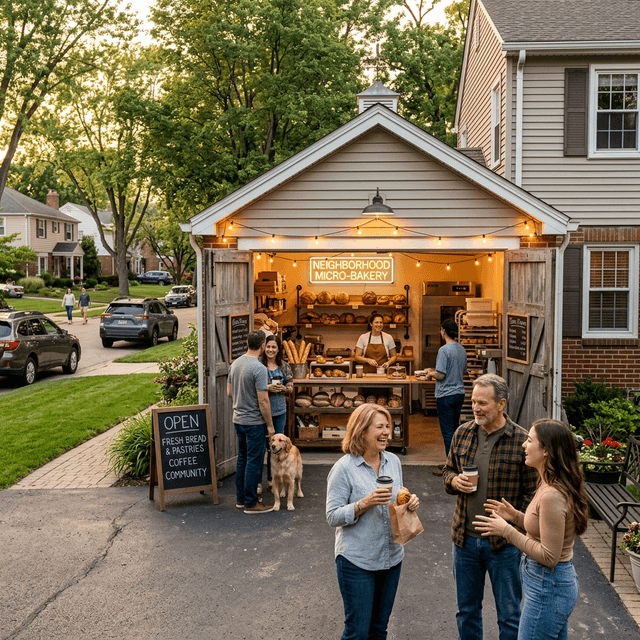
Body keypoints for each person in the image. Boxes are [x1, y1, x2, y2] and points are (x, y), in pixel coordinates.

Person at [442, 373, 537, 640]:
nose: (475, 408)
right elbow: (448, 472)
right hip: (464, 540)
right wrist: (454, 481)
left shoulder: (522, 440)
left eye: (482, 403)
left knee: (509, 615)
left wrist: (516, 523)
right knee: (467, 611)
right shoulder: (462, 433)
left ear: (501, 404)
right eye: (473, 401)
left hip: (503, 545)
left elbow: (533, 492)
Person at [473, 419, 588, 640]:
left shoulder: (552, 495)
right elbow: (546, 527)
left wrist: (506, 530)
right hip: (548, 585)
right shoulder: (548, 483)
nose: (523, 445)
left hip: (549, 586)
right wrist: (516, 516)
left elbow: (549, 556)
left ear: (546, 450)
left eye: (529, 440)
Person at [327, 403, 420, 640]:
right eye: (379, 426)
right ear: (361, 431)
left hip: (391, 557)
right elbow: (332, 516)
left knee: (379, 629)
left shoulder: (393, 462)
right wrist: (363, 503)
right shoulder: (344, 469)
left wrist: (409, 503)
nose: (387, 431)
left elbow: (397, 499)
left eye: (388, 426)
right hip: (357, 561)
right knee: (357, 632)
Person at [227, 330, 276, 514]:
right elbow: (263, 401)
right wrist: (270, 426)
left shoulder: (236, 363)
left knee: (242, 459)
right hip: (254, 422)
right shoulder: (259, 368)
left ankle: (241, 499)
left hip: (238, 419)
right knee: (254, 462)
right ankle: (251, 503)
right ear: (263, 346)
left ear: (247, 343)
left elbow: (230, 393)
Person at [426, 319, 468, 475]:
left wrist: (429, 373)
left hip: (445, 395)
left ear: (443, 331)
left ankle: (450, 468)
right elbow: (463, 371)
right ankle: (456, 464)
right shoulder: (461, 349)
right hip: (459, 394)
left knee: (448, 432)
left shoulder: (444, 350)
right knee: (456, 430)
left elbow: (441, 374)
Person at [259, 334, 293, 493]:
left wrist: (284, 389)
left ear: (278, 349)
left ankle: (273, 480)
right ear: (263, 348)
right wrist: (267, 388)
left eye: (274, 347)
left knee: (277, 449)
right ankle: (258, 482)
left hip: (279, 411)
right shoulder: (259, 365)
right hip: (261, 412)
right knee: (260, 448)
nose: (270, 350)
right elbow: (254, 388)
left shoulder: (284, 366)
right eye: (268, 346)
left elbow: (291, 387)